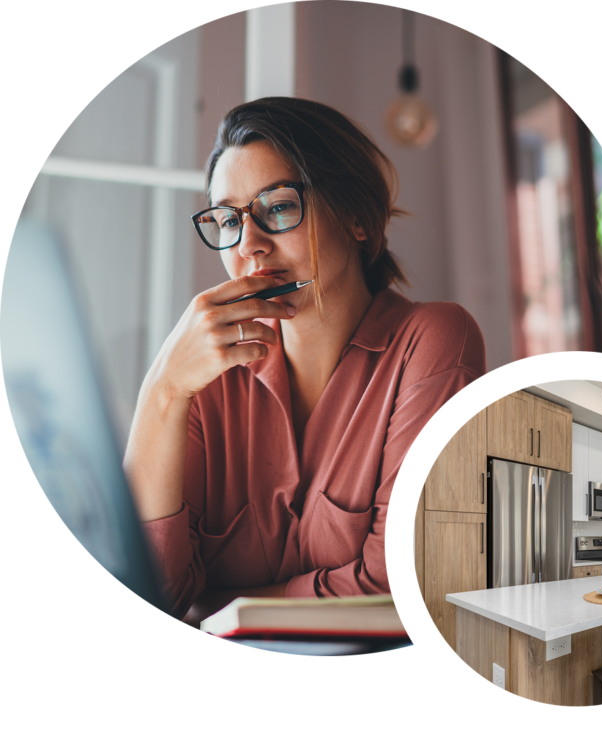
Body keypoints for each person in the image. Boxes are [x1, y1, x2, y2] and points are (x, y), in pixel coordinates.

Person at [123, 97, 486, 617]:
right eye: (228, 220)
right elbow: (147, 600)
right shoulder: (203, 379)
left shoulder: (432, 341)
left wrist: (215, 607)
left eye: (278, 207)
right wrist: (162, 392)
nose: (249, 244)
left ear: (358, 218)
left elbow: (399, 585)